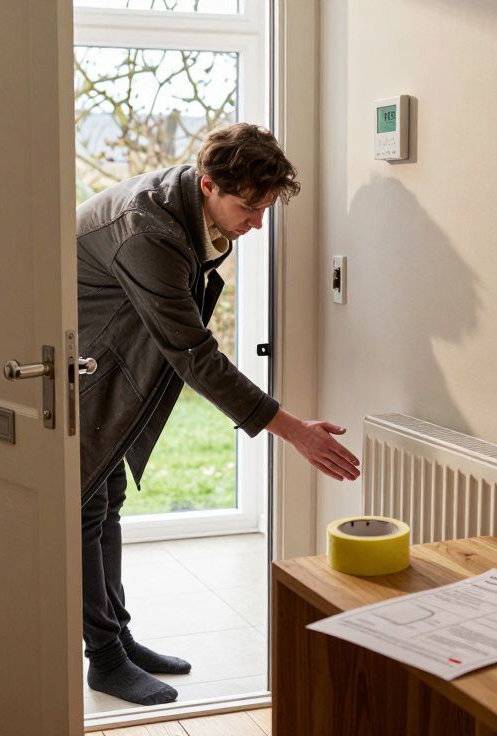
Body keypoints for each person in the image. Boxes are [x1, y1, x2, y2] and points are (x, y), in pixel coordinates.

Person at [76, 122, 360, 706]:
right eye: (249, 207)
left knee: (105, 503)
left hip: (107, 350)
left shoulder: (186, 212)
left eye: (266, 207)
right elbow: (193, 353)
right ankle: (104, 657)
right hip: (81, 364)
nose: (257, 222)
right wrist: (293, 430)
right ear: (207, 184)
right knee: (83, 507)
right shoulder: (146, 230)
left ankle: (118, 641)